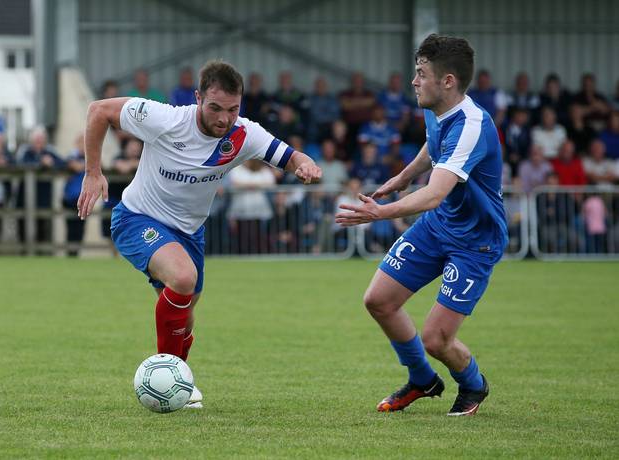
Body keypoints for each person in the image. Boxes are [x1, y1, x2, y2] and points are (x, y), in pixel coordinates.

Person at [77, 60, 321, 409]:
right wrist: (92, 172)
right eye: (215, 108)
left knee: (186, 314)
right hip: (136, 218)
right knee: (183, 277)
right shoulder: (164, 118)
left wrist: (305, 165)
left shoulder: (244, 134)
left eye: (233, 109)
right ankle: (167, 376)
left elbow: (290, 156)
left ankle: (178, 382)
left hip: (189, 234)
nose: (224, 118)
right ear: (198, 98)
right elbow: (98, 110)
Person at [335, 34, 507, 416]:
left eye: (420, 73)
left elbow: (435, 195)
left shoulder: (473, 125)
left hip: (475, 241)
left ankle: (474, 385)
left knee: (436, 338)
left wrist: (380, 212)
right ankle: (422, 380)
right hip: (439, 226)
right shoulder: (435, 107)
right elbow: (433, 145)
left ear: (447, 81)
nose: (413, 81)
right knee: (378, 300)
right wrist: (404, 176)